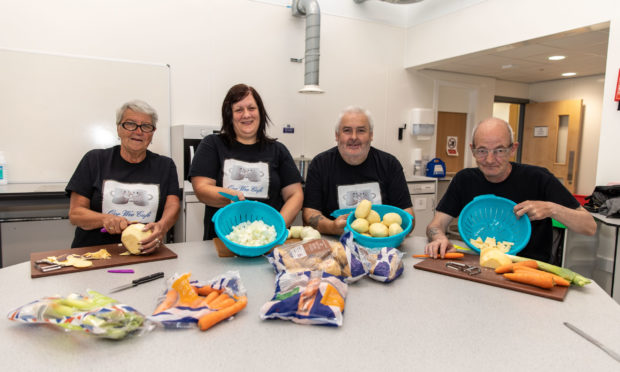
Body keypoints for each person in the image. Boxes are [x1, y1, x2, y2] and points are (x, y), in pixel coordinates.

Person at [425, 117, 596, 263]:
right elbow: (436, 224)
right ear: (472, 150)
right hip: (479, 266)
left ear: (513, 149)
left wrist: (552, 208)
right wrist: (438, 237)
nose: (490, 159)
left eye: (499, 150)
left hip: (528, 271)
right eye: (482, 151)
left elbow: (589, 226)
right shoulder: (464, 180)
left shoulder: (538, 178)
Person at [189, 83, 303, 240]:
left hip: (268, 243)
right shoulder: (213, 144)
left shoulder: (278, 150)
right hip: (222, 242)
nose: (246, 115)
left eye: (251, 108)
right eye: (238, 110)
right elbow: (201, 188)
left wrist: (276, 228)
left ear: (260, 112)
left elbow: (295, 194)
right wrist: (229, 195)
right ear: (229, 115)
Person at [66, 100, 181, 252]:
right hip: (93, 255)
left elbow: (173, 205)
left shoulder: (165, 166)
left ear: (152, 133)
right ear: (119, 129)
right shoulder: (94, 160)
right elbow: (75, 214)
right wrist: (105, 219)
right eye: (130, 124)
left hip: (145, 253)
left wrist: (163, 226)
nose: (138, 131)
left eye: (146, 126)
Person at [303, 106, 414, 235]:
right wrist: (332, 227)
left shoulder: (389, 164)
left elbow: (408, 215)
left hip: (382, 245)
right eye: (347, 131)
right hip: (336, 243)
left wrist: (395, 232)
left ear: (371, 135)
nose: (354, 137)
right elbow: (309, 214)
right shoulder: (320, 164)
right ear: (337, 135)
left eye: (361, 131)